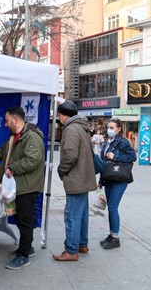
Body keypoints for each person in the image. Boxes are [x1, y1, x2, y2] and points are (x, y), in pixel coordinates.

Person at [0, 106, 45, 269]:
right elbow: (2, 153)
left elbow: (33, 159)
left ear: (15, 119)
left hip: (27, 187)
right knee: (21, 220)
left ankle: (23, 255)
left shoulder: (31, 137)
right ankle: (26, 247)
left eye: (7, 121)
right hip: (17, 187)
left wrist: (13, 168)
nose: (5, 124)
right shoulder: (14, 137)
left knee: (25, 221)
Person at [54, 100, 97, 261]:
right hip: (84, 177)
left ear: (64, 115)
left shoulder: (71, 129)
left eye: (59, 115)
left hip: (76, 179)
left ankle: (71, 250)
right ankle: (82, 244)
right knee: (83, 214)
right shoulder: (81, 127)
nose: (59, 118)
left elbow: (70, 155)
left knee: (71, 214)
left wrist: (61, 170)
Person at [98, 118, 137, 249]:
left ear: (119, 129)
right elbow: (104, 163)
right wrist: (100, 181)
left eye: (112, 127)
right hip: (109, 177)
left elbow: (132, 157)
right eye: (108, 127)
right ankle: (111, 234)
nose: (109, 130)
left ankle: (115, 238)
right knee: (110, 207)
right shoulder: (106, 142)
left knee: (113, 207)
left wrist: (115, 157)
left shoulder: (123, 142)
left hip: (119, 178)